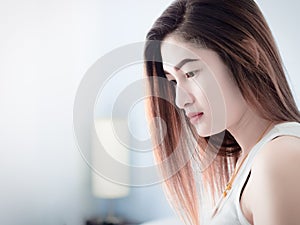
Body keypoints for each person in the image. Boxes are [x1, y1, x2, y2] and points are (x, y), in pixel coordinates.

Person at [143, 0, 300, 224]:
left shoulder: (279, 158)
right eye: (173, 81)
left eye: (190, 74)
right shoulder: (250, 158)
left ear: (247, 54)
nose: (180, 100)